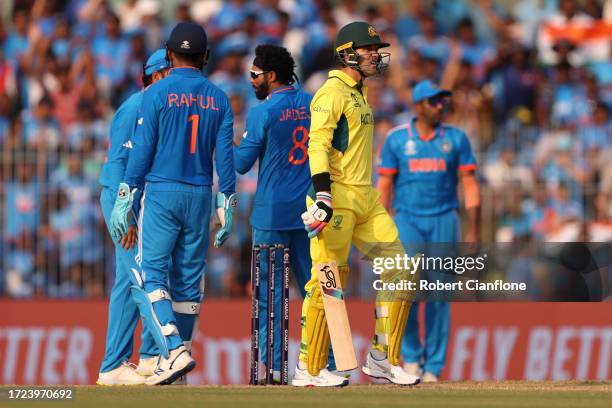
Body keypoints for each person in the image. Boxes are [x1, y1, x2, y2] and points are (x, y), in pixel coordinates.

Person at [110, 22, 237, 385]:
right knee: (187, 283)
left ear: (168, 55)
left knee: (151, 273)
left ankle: (173, 349)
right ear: (206, 57)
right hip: (200, 194)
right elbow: (224, 160)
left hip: (163, 193)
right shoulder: (219, 98)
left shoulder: (156, 94)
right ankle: (176, 364)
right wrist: (225, 204)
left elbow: (143, 151)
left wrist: (125, 196)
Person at [297, 21, 420, 387]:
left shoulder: (359, 91)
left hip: (366, 197)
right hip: (334, 196)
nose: (375, 55)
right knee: (328, 283)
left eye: (376, 49)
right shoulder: (331, 92)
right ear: (347, 52)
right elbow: (316, 144)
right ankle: (309, 369)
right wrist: (322, 194)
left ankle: (383, 358)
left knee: (400, 269)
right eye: (369, 49)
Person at [377, 80, 481, 382]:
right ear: (418, 105)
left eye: (442, 101)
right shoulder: (397, 139)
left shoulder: (456, 138)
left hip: (444, 219)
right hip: (407, 219)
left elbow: (470, 185)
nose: (440, 106)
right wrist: (380, 228)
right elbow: (384, 186)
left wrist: (472, 229)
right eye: (434, 102)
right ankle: (411, 357)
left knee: (439, 294)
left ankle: (433, 367)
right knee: (404, 289)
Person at [233, 44, 312, 382]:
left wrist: (223, 139)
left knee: (269, 296)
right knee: (321, 291)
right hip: (312, 214)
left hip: (272, 216)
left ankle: (273, 369)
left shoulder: (262, 112)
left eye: (255, 74)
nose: (250, 80)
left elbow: (240, 164)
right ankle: (329, 366)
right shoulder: (313, 103)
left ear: (272, 75)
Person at [96, 49, 169, 386]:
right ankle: (167, 353)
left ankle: (115, 365)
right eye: (169, 73)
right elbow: (118, 167)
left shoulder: (157, 107)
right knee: (142, 277)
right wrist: (124, 214)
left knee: (128, 281)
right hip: (121, 200)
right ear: (155, 76)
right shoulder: (134, 108)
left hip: (137, 202)